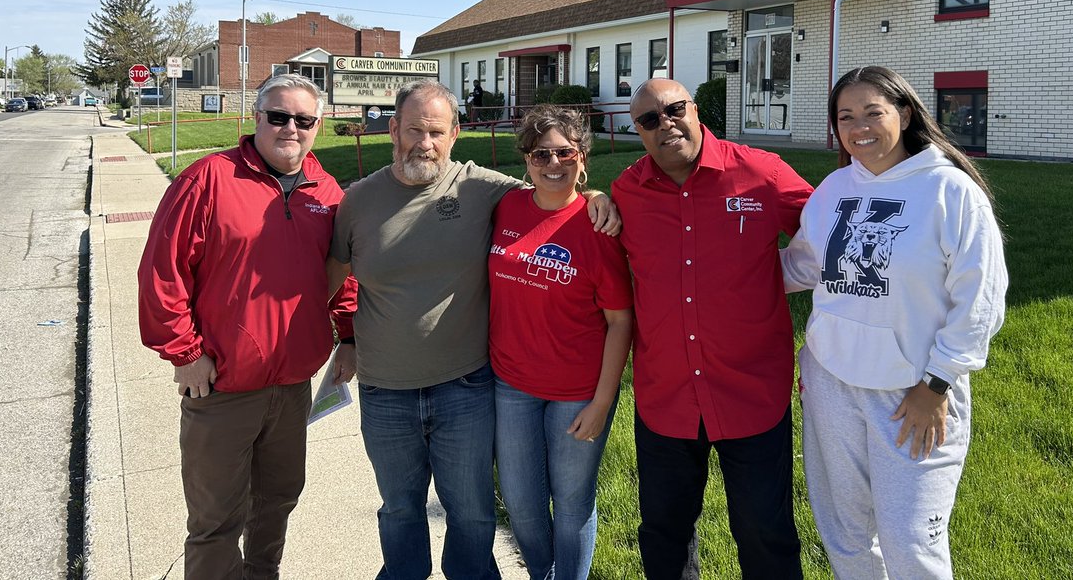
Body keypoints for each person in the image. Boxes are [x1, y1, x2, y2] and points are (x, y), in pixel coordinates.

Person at [327, 80, 619, 580]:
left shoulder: (482, 188)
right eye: (414, 129)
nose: (425, 142)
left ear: (455, 134)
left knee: (473, 513)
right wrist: (343, 339)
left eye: (436, 132)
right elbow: (330, 280)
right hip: (385, 389)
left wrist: (595, 194)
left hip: (465, 386)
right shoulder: (358, 200)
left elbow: (552, 190)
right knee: (399, 510)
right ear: (393, 129)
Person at [780, 65, 1008, 579]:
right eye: (845, 116)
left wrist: (937, 383)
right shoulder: (836, 188)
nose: (859, 126)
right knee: (846, 534)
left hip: (912, 393)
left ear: (904, 114)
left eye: (872, 112)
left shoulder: (950, 190)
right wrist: (717, 275)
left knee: (910, 544)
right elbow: (804, 265)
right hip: (831, 382)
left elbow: (981, 299)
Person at [137, 73, 358, 580]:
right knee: (217, 519)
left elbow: (343, 271)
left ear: (317, 126)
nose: (290, 128)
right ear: (255, 119)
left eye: (303, 120)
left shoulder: (325, 191)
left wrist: (348, 336)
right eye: (278, 116)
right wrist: (185, 353)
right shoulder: (208, 179)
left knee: (278, 500)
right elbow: (161, 274)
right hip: (222, 386)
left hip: (292, 385)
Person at [610, 78, 813, 580]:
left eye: (674, 110)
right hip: (666, 397)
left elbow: (833, 229)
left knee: (766, 533)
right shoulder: (625, 191)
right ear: (637, 130)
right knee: (664, 535)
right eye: (649, 121)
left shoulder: (761, 173)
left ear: (695, 109)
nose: (666, 125)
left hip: (752, 392)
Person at [489, 104, 634, 580]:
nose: (553, 164)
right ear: (525, 160)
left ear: (582, 154)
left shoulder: (599, 225)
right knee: (522, 502)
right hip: (511, 383)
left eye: (564, 152)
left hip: (578, 390)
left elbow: (620, 321)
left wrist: (602, 402)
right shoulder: (506, 206)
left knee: (572, 504)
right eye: (539, 154)